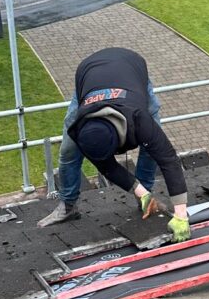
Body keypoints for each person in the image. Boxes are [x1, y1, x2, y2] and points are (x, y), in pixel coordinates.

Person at [38, 48, 191, 242]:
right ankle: (68, 206)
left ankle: (145, 197)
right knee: (69, 152)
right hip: (89, 74)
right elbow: (107, 166)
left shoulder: (140, 119)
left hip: (132, 70)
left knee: (152, 149)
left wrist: (181, 214)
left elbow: (168, 159)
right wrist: (140, 191)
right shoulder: (80, 130)